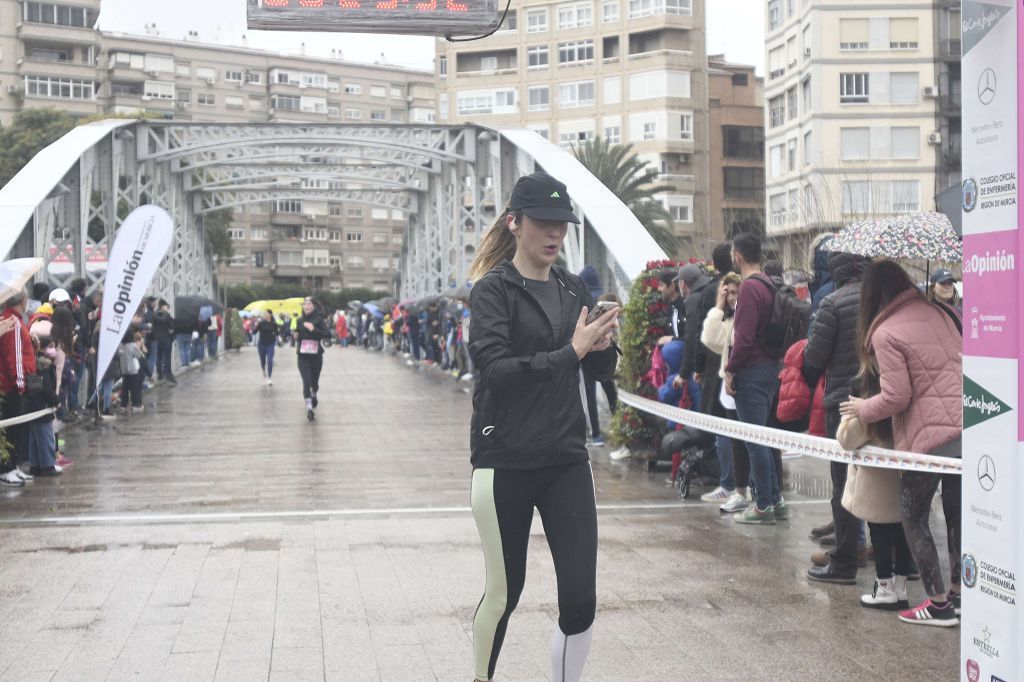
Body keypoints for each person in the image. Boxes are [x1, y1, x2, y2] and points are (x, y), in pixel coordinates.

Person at [466, 171, 618, 682]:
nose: (555, 234)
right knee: (505, 594)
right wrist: (569, 352)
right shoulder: (492, 292)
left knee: (580, 599)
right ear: (515, 222)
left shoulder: (572, 287)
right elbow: (496, 372)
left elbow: (596, 369)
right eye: (544, 223)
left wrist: (601, 349)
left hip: (565, 460)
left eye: (563, 225)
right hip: (503, 460)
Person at [839, 259, 962, 627]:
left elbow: (896, 397)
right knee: (957, 517)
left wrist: (862, 407)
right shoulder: (940, 312)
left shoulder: (885, 332)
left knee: (914, 517)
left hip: (929, 439)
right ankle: (959, 593)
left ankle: (937, 604)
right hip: (967, 428)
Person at [802, 252, 871, 584]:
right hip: (883, 402)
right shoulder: (883, 299)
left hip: (843, 404)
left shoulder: (832, 302)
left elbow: (814, 357)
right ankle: (904, 563)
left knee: (844, 484)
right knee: (881, 480)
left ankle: (844, 562)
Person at [836, 370, 912, 611]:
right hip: (905, 479)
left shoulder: (868, 405)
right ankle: (900, 587)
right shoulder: (906, 393)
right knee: (904, 531)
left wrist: (859, 411)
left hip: (876, 485)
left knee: (879, 532)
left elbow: (846, 438)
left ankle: (884, 588)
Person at [723, 233, 786, 525]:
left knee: (754, 439)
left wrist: (730, 370)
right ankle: (775, 499)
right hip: (772, 367)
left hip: (752, 370)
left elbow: (744, 339)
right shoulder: (769, 283)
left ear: (737, 255)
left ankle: (762, 505)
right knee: (766, 436)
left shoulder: (749, 288)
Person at [699, 273, 749, 511]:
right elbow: (710, 339)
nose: (730, 298)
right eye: (727, 292)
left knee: (744, 443)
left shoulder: (746, 316)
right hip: (727, 387)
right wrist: (718, 306)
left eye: (735, 292)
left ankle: (742, 489)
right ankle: (733, 487)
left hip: (742, 385)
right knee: (731, 440)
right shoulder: (729, 318)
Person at [1, 293, 37, 486]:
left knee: (16, 428)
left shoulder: (9, 320)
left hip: (10, 383)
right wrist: (20, 383)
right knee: (12, 429)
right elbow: (14, 357)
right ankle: (7, 468)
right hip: (12, 385)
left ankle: (13, 466)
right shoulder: (12, 322)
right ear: (23, 302)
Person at [294, 297, 330, 421]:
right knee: (306, 382)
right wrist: (295, 335)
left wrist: (313, 329)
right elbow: (298, 336)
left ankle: (314, 393)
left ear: (314, 306)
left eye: (309, 304)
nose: (307, 306)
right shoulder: (299, 320)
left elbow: (327, 334)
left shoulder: (319, 319)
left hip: (316, 357)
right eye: (304, 304)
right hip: (303, 356)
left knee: (314, 383)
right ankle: (309, 409)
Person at [655, 268, 686, 346]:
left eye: (661, 285)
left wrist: (672, 339)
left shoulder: (687, 306)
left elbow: (694, 338)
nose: (659, 289)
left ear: (672, 285)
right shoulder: (670, 309)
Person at [150, 301, 176, 384]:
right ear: (164, 307)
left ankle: (159, 374)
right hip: (165, 338)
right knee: (167, 357)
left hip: (157, 339)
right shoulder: (167, 315)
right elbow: (172, 325)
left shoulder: (153, 315)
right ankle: (168, 374)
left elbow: (152, 327)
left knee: (158, 356)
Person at [255, 309, 279, 385]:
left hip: (271, 344)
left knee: (270, 360)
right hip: (261, 345)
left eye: (265, 313)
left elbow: (277, 333)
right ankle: (263, 369)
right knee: (263, 361)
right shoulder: (261, 323)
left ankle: (269, 378)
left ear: (270, 314)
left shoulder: (274, 323)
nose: (264, 315)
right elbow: (253, 332)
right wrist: (256, 325)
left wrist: (279, 337)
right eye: (263, 313)